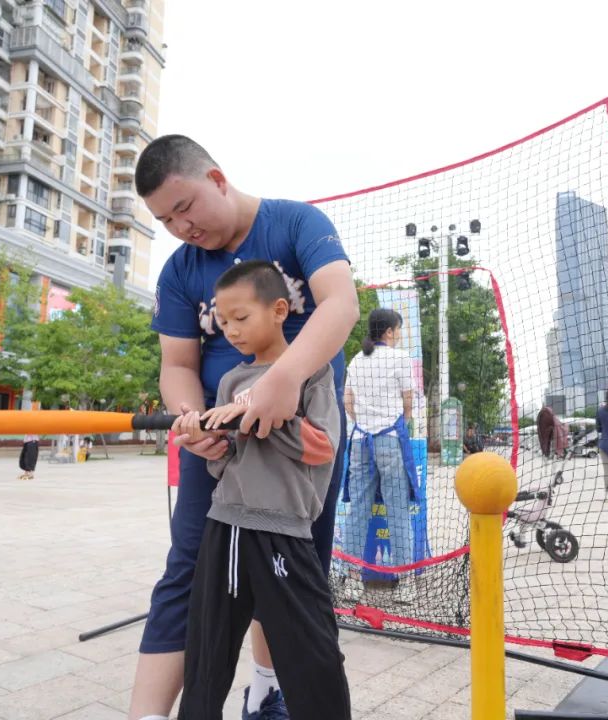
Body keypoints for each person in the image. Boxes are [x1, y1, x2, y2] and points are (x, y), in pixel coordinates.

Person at [133, 135, 358, 720]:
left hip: (300, 443)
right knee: (189, 567)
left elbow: (340, 304)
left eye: (185, 207)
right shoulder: (181, 270)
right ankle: (147, 713)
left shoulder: (295, 224)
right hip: (222, 446)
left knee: (294, 567)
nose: (181, 227)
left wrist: (284, 379)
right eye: (165, 220)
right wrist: (189, 421)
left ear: (215, 178)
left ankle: (265, 690)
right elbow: (178, 364)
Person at [176, 261, 349, 720]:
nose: (230, 330)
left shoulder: (311, 373)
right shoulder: (231, 382)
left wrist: (267, 415)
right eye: (223, 321)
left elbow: (322, 448)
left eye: (241, 318)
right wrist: (206, 442)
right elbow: (226, 464)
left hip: (284, 533)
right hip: (225, 526)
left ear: (277, 310)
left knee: (314, 653)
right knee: (207, 651)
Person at [341, 308, 417, 601]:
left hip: (360, 440)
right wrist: (399, 423)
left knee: (357, 509)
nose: (399, 334)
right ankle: (405, 582)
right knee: (397, 509)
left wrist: (365, 421)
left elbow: (347, 400)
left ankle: (352, 580)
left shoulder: (357, 359)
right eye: (398, 329)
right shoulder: (400, 358)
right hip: (389, 439)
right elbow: (408, 401)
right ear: (389, 331)